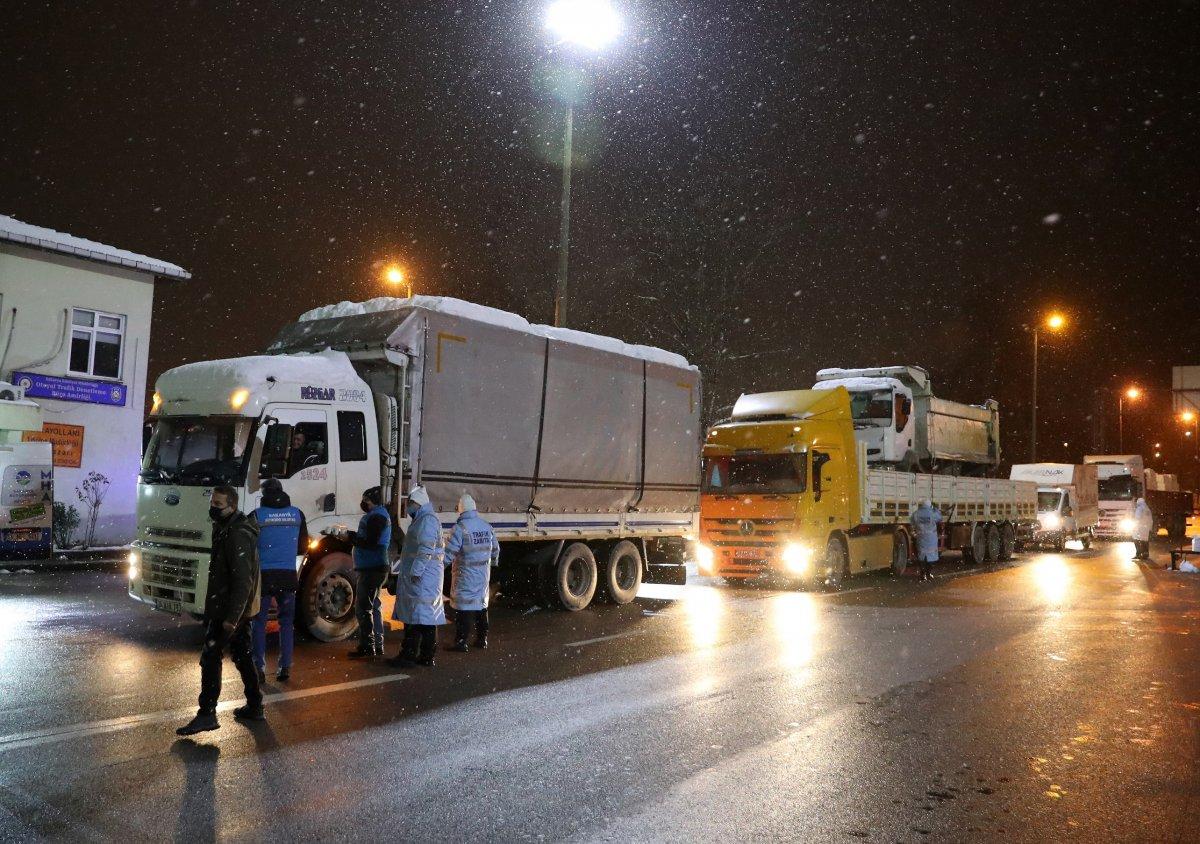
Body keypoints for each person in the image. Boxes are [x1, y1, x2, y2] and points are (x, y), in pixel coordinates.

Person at [177, 486, 263, 735]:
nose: (213, 508)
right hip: (229, 608)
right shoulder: (226, 527)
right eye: (212, 502)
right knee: (242, 655)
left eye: (218, 504)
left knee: (211, 657)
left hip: (228, 610)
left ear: (232, 506)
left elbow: (242, 580)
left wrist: (231, 619)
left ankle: (207, 714)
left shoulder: (236, 533)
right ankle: (255, 704)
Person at [250, 479, 308, 683]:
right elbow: (302, 547)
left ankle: (258, 668)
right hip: (287, 576)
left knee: (258, 622)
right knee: (286, 622)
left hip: (264, 577)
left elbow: (248, 546)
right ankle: (285, 668)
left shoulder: (257, 516)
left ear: (264, 494)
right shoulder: (297, 514)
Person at [388, 485, 446, 667]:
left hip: (423, 578)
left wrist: (416, 571)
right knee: (418, 617)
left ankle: (418, 655)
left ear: (418, 503)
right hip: (423, 578)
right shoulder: (423, 519)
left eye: (411, 503)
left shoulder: (427, 520)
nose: (409, 507)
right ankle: (417, 654)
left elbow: (426, 548)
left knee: (422, 618)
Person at [444, 493, 499, 652]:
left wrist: (439, 567)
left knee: (464, 608)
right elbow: (495, 549)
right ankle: (482, 639)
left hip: (465, 575)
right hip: (482, 575)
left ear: (460, 510)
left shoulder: (460, 528)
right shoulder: (486, 526)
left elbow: (449, 554)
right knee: (481, 606)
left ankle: (461, 642)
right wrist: (492, 564)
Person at [344, 486, 392, 659]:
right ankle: (376, 645)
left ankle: (368, 646)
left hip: (372, 568)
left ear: (373, 501)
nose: (363, 503)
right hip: (374, 567)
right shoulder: (377, 515)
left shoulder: (377, 517)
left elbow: (370, 542)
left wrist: (350, 537)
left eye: (366, 500)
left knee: (363, 608)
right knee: (373, 606)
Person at [910, 499, 943, 582]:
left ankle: (922, 574)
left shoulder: (916, 514)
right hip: (931, 538)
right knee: (931, 557)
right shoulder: (932, 513)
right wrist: (936, 509)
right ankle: (928, 573)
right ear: (929, 505)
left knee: (921, 556)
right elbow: (940, 517)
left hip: (920, 538)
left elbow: (912, 521)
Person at [1133, 497, 1154, 561]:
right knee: (1145, 541)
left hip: (1140, 528)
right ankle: (1145, 554)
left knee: (1136, 540)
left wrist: (1135, 526)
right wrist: (1150, 528)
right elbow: (1151, 520)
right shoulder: (1147, 509)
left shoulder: (1139, 509)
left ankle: (1138, 554)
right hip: (1146, 528)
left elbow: (1137, 518)